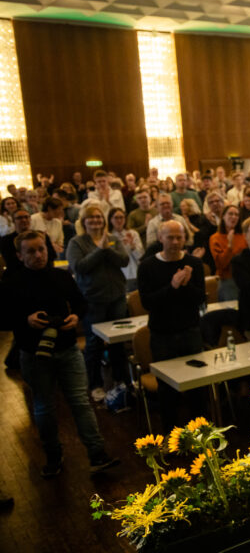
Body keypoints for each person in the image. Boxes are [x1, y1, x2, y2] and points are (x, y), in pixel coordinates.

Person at [0, 231, 120, 477]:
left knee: (81, 402)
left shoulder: (60, 275)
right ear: (20, 255)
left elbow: (80, 303)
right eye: (31, 251)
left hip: (67, 348)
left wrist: (75, 317)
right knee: (44, 407)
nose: (38, 255)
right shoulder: (12, 283)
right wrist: (26, 320)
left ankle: (97, 454)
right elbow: (2, 318)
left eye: (41, 249)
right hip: (34, 353)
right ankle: (53, 457)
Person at [137, 220, 205, 428]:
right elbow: (147, 303)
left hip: (190, 331)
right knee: (167, 390)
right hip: (162, 335)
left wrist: (186, 285)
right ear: (160, 238)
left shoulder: (194, 264)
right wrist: (173, 286)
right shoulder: (147, 266)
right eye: (170, 237)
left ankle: (200, 433)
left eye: (179, 237)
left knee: (197, 386)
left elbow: (200, 298)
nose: (175, 242)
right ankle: (170, 433)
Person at [66, 204, 130, 401]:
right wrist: (100, 250)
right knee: (94, 344)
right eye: (91, 218)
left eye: (99, 217)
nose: (96, 220)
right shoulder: (76, 243)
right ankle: (95, 385)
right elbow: (79, 267)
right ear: (84, 222)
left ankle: (121, 381)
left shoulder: (112, 239)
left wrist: (107, 249)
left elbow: (124, 260)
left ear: (104, 221)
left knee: (118, 341)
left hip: (117, 297)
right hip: (93, 300)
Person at [0, 209, 56, 274]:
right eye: (19, 218)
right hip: (17, 274)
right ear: (13, 221)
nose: (24, 220)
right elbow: (11, 262)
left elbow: (52, 256)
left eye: (26, 217)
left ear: (30, 219)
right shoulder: (6, 240)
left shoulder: (42, 236)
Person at [209, 205, 247, 302]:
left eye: (236, 215)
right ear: (223, 217)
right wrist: (229, 246)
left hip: (245, 278)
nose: (234, 217)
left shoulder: (243, 236)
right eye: (230, 214)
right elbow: (221, 264)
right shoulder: (215, 238)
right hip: (228, 280)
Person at [108, 207, 144, 292]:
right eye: (116, 218)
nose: (119, 220)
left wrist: (132, 246)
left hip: (134, 272)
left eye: (121, 217)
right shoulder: (108, 236)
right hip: (116, 274)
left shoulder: (133, 234)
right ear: (110, 219)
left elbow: (141, 256)